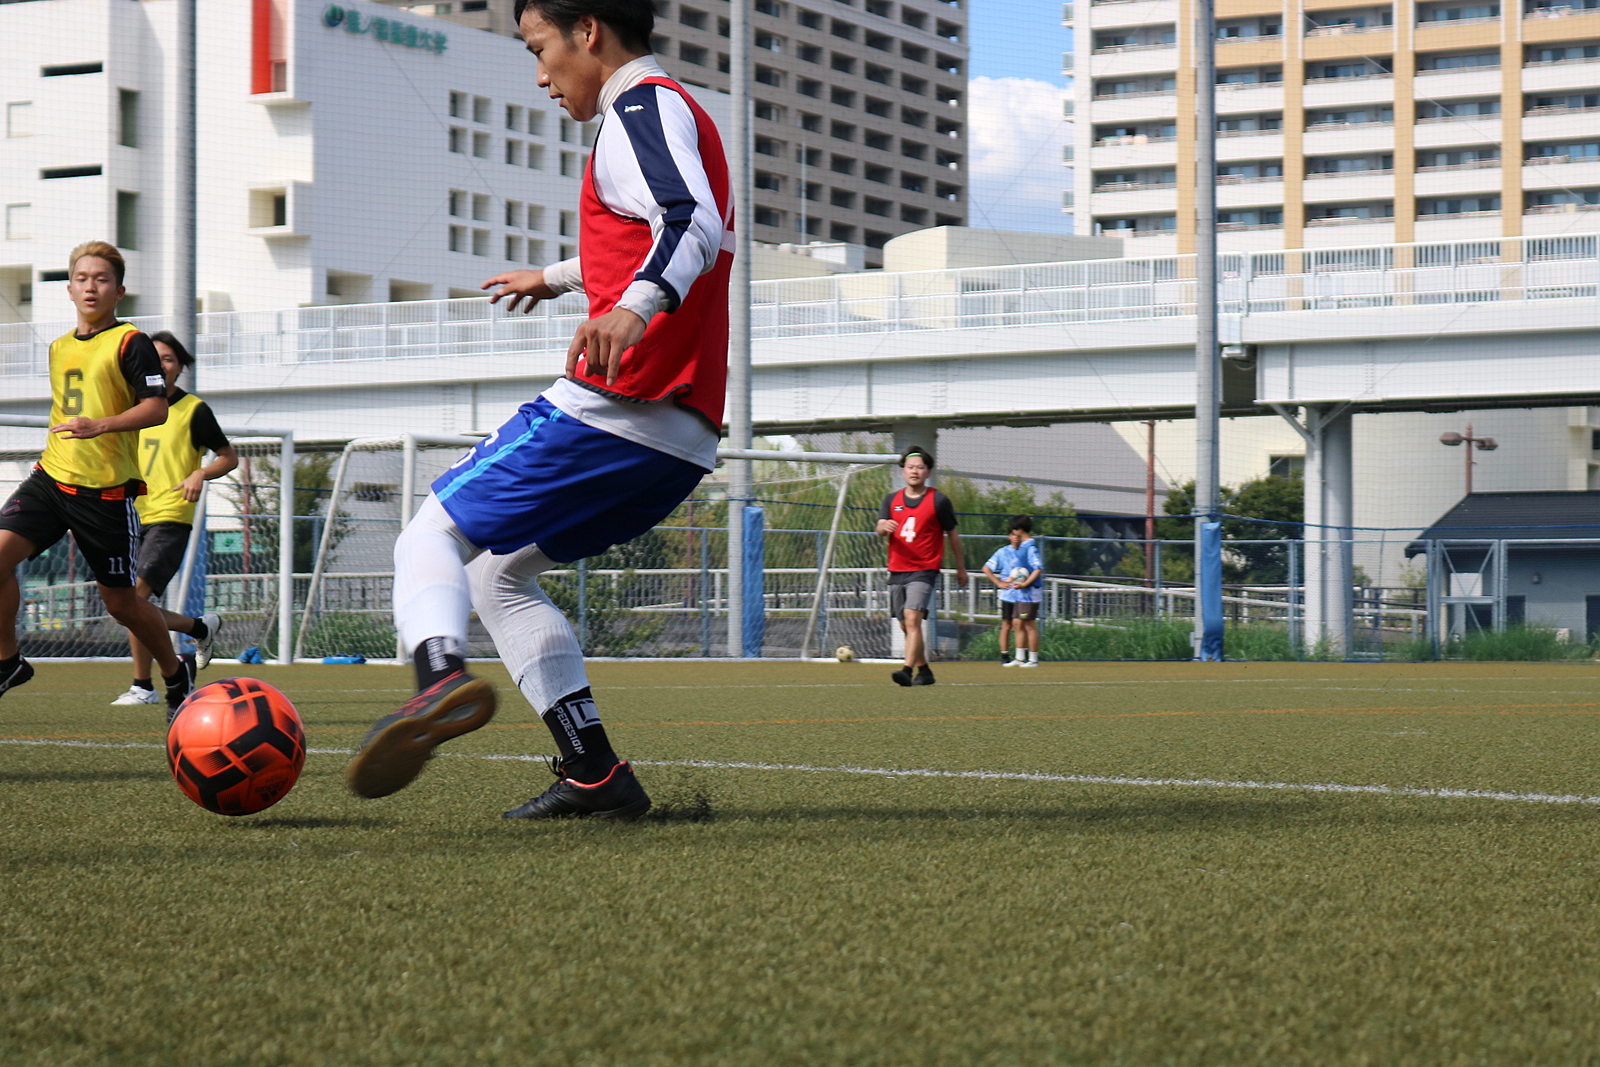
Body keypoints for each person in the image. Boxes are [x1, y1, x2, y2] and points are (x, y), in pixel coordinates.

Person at [345, 0, 731, 819]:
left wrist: (634, 306)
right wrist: (556, 278)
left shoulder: (640, 107)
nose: (540, 73)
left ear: (588, 30)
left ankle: (438, 680)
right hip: (678, 438)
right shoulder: (671, 114)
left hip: (618, 405)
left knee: (431, 534)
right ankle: (595, 772)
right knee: (499, 575)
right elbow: (649, 229)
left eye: (540, 45)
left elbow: (691, 222)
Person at [0, 241, 214, 716]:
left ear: (119, 291)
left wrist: (100, 425)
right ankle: (8, 661)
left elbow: (156, 407)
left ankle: (175, 675)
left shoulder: (131, 342)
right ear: (70, 288)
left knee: (122, 604)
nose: (90, 286)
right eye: (82, 278)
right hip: (51, 478)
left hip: (106, 494)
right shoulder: (58, 347)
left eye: (101, 279)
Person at [108, 331, 235, 706]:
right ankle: (198, 628)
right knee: (126, 604)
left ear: (180, 367)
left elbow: (228, 457)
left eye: (168, 359)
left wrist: (201, 473)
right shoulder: (131, 406)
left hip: (171, 515)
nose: (161, 365)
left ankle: (142, 686)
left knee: (135, 598)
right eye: (155, 358)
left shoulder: (194, 410)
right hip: (129, 513)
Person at [875, 447, 966, 686]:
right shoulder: (891, 500)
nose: (915, 471)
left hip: (924, 570)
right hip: (897, 570)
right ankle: (924, 670)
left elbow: (953, 534)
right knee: (906, 624)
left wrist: (961, 568)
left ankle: (906, 670)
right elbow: (880, 526)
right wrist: (884, 527)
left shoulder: (938, 500)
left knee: (912, 619)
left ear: (928, 472)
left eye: (920, 467)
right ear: (903, 471)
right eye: (910, 467)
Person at [982, 515, 1044, 667]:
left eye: (1015, 531)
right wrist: (1006, 581)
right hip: (1020, 594)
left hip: (1029, 593)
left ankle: (1033, 660)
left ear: (1020, 530)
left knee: (1028, 624)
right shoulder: (1022, 547)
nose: (1014, 535)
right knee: (1017, 623)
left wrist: (1025, 584)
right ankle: (1020, 658)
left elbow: (1038, 568)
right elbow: (1021, 571)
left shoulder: (1030, 547)